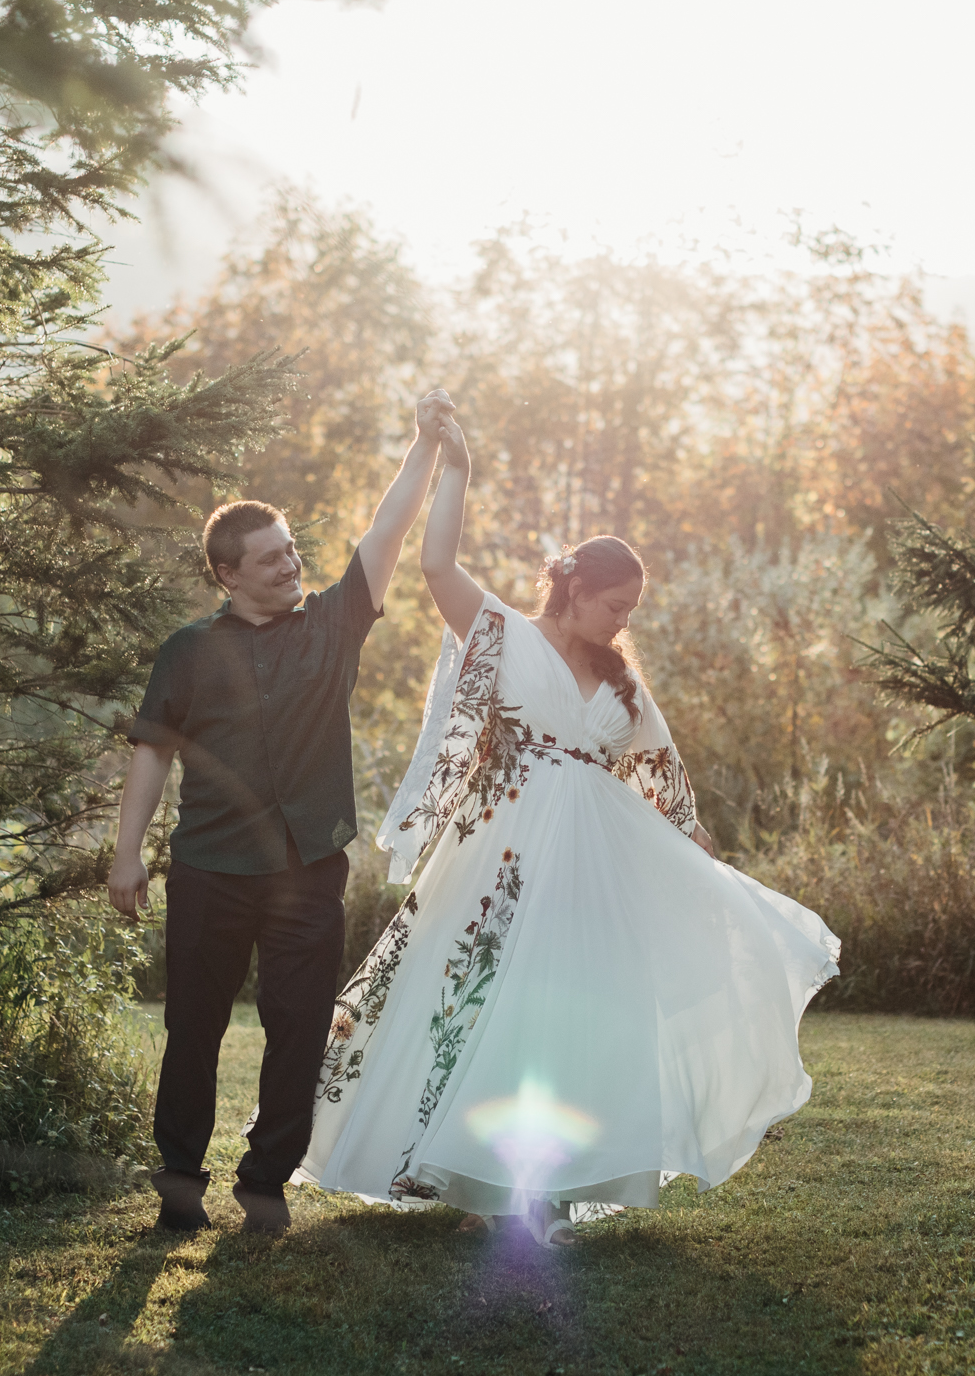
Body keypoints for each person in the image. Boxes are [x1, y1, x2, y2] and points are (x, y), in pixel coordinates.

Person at [296, 411, 840, 1246]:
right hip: (501, 858)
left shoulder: (625, 687)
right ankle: (461, 1169)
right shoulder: (504, 635)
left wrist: (709, 878)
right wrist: (457, 471)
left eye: (632, 610)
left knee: (571, 1016)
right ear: (574, 588)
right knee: (479, 1000)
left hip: (594, 873)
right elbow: (436, 563)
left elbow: (667, 789)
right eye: (614, 605)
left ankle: (544, 1191)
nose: (623, 622)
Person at [109, 389, 454, 1236]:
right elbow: (151, 751)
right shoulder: (188, 652)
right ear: (226, 573)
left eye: (291, 551)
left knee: (299, 1036)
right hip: (208, 871)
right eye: (269, 559)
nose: (288, 566)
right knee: (191, 1030)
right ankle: (179, 1185)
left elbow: (388, 533)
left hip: (308, 874)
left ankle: (266, 1186)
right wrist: (127, 856)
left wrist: (423, 448)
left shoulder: (332, 627)